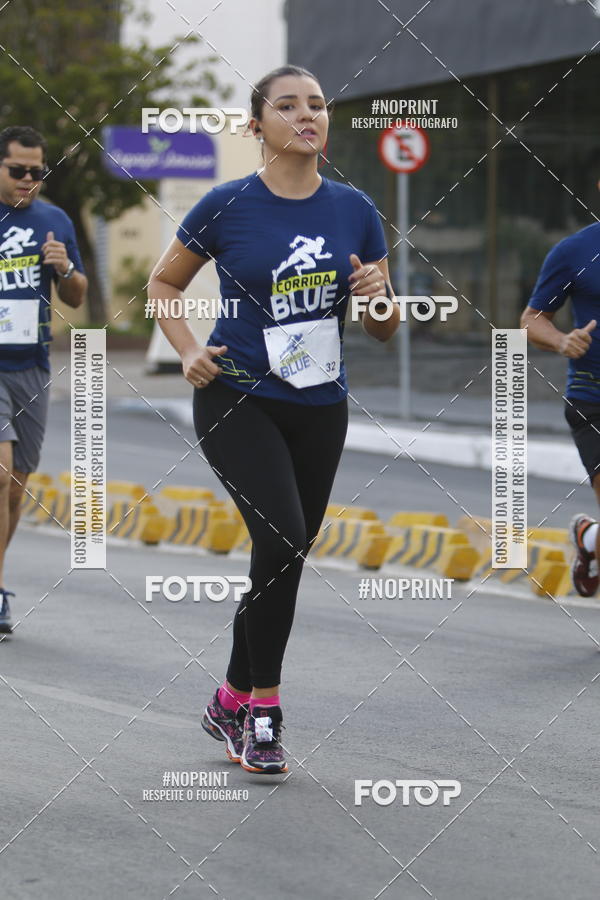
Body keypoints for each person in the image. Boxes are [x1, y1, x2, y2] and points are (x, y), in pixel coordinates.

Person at [148, 65, 400, 774]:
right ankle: (262, 713)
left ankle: (227, 696)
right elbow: (165, 282)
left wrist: (378, 296)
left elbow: (382, 328)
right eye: (287, 106)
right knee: (285, 539)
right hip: (237, 397)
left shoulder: (354, 208)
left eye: (316, 105)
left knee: (282, 554)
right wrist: (190, 348)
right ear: (257, 126)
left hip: (321, 404)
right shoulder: (228, 204)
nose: (306, 115)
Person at [0, 126, 87, 633]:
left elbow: (75, 296)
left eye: (38, 172)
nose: (29, 180)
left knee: (15, 493)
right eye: (18, 171)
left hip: (32, 367)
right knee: (3, 476)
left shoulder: (54, 220)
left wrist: (67, 266)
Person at [521, 183, 600, 598]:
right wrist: (563, 341)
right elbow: (532, 319)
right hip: (594, 398)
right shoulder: (576, 251)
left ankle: (589, 540)